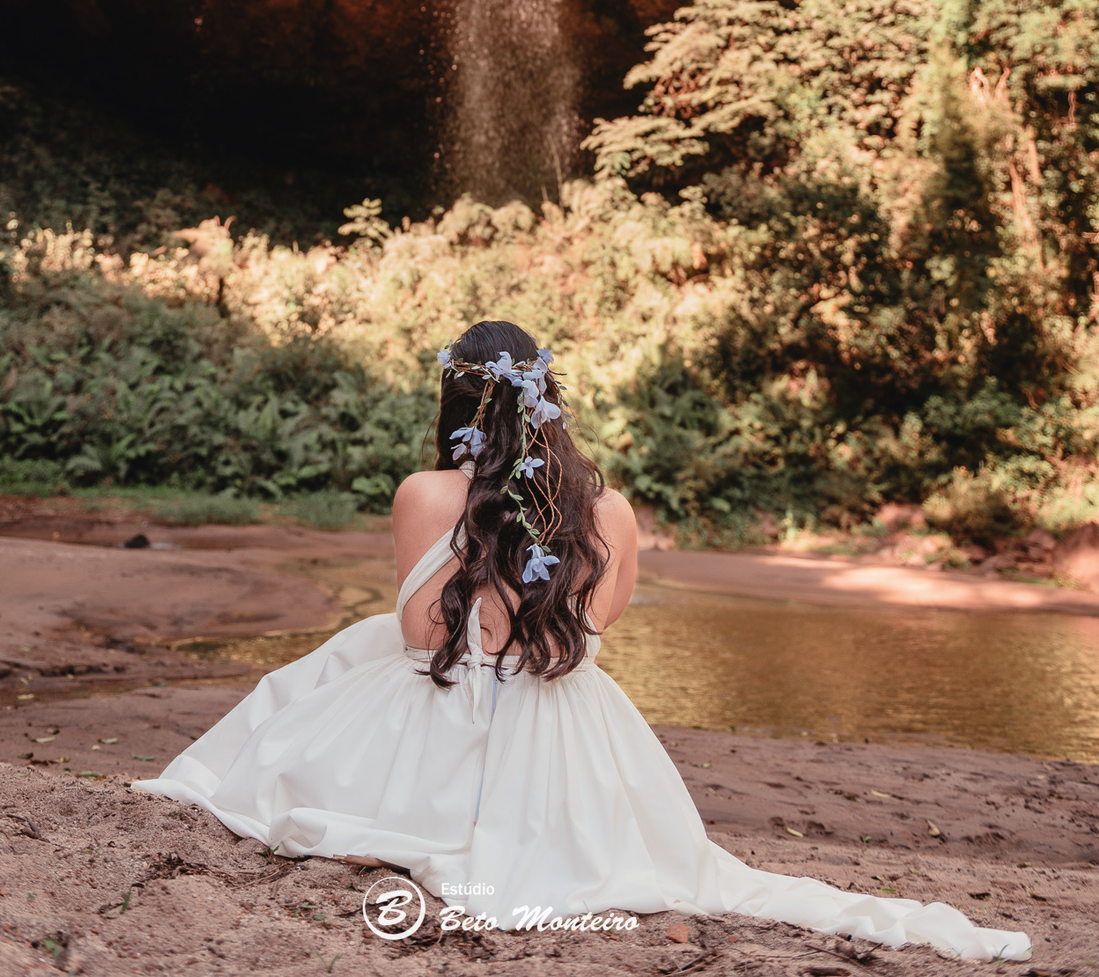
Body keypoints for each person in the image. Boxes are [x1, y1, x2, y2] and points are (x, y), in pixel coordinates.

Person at [133, 320, 1029, 959]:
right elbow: (594, 633)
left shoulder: (421, 493)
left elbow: (418, 636)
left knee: (341, 662)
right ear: (549, 403)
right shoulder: (613, 511)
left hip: (441, 713)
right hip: (572, 737)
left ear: (455, 408)